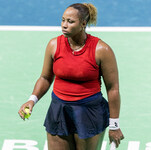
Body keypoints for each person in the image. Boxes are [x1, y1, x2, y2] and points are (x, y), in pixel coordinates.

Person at [18, 3, 124, 150]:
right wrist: (32, 100)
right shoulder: (54, 45)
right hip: (59, 110)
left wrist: (114, 125)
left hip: (89, 112)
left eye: (70, 21)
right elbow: (45, 78)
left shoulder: (101, 50)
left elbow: (113, 89)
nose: (64, 25)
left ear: (83, 24)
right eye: (63, 20)